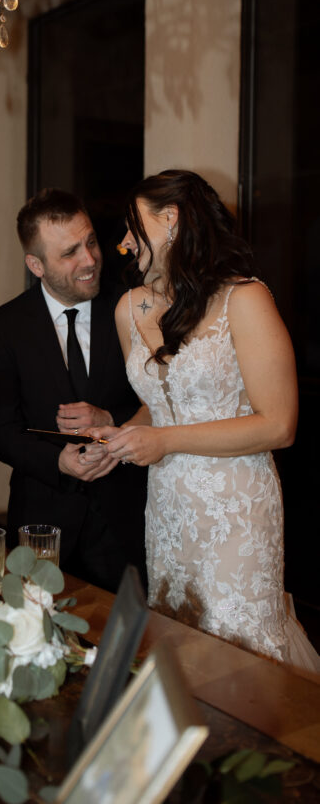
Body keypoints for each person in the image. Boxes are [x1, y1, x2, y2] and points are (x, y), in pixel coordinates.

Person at [89, 169, 319, 669]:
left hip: (235, 508)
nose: (124, 243)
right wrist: (125, 435)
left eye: (133, 226)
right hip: (168, 507)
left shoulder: (246, 299)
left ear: (170, 220)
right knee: (180, 642)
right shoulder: (128, 309)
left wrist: (165, 441)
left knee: (239, 654)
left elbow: (279, 424)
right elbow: (160, 400)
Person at [0, 189, 147, 592]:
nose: (89, 260)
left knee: (132, 646)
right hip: (43, 522)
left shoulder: (130, 306)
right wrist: (59, 464)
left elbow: (163, 400)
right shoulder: (3, 328)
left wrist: (112, 420)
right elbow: (0, 432)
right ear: (35, 264)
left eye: (90, 242)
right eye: (69, 252)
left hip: (126, 517)